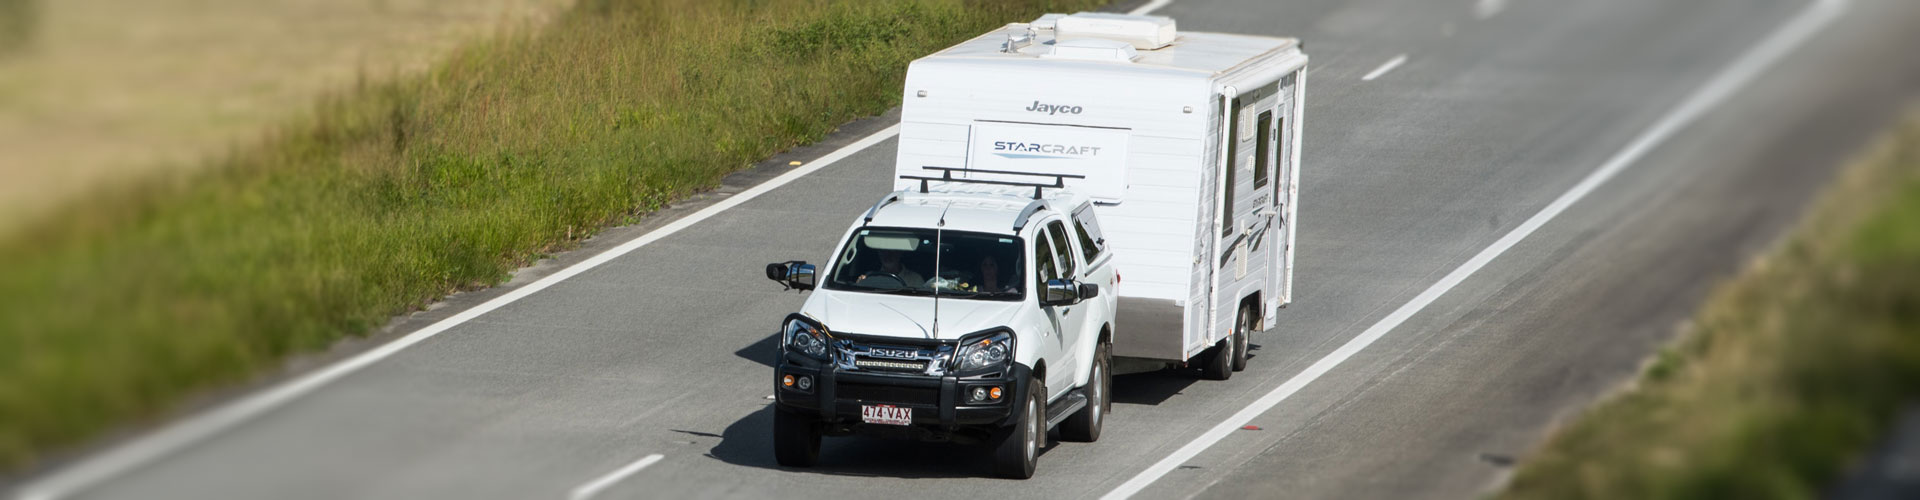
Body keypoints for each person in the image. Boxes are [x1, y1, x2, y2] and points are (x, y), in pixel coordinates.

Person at [858, 249, 924, 288]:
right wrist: (859, 284)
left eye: (892, 251)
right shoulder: (870, 277)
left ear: (900, 253)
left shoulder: (916, 279)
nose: (887, 255)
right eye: (883, 251)